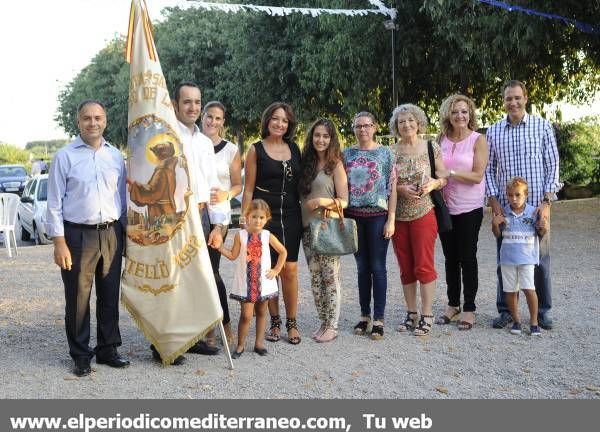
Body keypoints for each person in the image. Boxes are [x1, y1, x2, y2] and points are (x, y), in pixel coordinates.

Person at [46, 100, 129, 377]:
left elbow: (122, 198)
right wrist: (59, 242)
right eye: (86, 118)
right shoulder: (65, 157)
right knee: (79, 298)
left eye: (98, 118)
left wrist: (125, 232)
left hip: (111, 233)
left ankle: (108, 349)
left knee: (109, 296)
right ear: (78, 122)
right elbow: (54, 203)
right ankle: (81, 355)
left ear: (105, 120)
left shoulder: (115, 156)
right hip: (77, 235)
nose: (93, 123)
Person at [149, 81, 226, 364]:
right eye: (187, 102)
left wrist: (218, 225)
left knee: (197, 280)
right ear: (175, 104)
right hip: (174, 216)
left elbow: (214, 186)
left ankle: (191, 339)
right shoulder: (164, 137)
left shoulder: (205, 143)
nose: (193, 107)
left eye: (197, 102)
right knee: (171, 281)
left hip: (203, 215)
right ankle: (164, 343)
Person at [485, 80, 562, 330]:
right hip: (507, 210)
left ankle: (542, 312)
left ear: (526, 98)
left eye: (517, 97)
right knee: (505, 258)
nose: (513, 102)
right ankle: (506, 310)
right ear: (504, 101)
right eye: (509, 98)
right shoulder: (494, 131)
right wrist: (494, 201)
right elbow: (488, 168)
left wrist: (547, 202)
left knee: (540, 260)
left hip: (536, 208)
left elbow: (553, 165)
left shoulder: (542, 126)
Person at [241, 102, 303, 345]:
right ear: (267, 121)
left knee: (289, 269)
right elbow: (248, 190)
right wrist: (245, 219)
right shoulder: (255, 150)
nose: (280, 124)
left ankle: (292, 322)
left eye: (285, 120)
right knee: (268, 270)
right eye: (276, 119)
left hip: (291, 214)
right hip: (263, 217)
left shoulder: (295, 149)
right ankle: (275, 321)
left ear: (289, 125)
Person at [389, 104, 447, 337]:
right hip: (399, 215)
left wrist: (434, 183)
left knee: (424, 264)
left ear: (419, 122)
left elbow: (443, 175)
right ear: (396, 126)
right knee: (405, 266)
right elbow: (387, 183)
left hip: (424, 212)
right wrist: (400, 188)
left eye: (411, 120)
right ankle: (411, 312)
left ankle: (426, 314)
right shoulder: (391, 152)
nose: (406, 125)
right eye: (401, 122)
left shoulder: (431, 147)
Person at [434, 94, 488, 330]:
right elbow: (435, 170)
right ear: (448, 115)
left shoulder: (478, 140)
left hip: (470, 208)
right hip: (445, 207)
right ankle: (453, 303)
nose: (460, 116)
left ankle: (469, 308)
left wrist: (451, 173)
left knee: (467, 257)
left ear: (470, 114)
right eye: (455, 112)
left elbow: (477, 176)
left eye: (464, 111)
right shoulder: (440, 139)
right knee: (450, 258)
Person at [343, 112, 396, 340]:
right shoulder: (346, 154)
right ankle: (364, 315)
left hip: (378, 216)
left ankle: (379, 319)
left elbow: (392, 188)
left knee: (378, 267)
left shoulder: (385, 153)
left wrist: (391, 218)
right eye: (358, 126)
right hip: (354, 216)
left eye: (366, 125)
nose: (362, 130)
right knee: (362, 268)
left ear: (375, 127)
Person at [299, 119, 348, 343]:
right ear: (311, 137)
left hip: (327, 228)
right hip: (307, 230)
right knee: (315, 279)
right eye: (317, 135)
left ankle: (333, 325)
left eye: (325, 136)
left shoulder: (335, 165)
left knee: (330, 278)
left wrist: (321, 201)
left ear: (331, 139)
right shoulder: (305, 163)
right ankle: (323, 321)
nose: (321, 140)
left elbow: (345, 201)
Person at [217, 199, 287, 358]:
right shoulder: (240, 236)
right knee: (246, 315)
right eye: (254, 216)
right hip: (246, 282)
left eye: (262, 217)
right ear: (247, 216)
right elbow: (233, 255)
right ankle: (241, 345)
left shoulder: (268, 236)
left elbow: (283, 252)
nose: (258, 220)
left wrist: (276, 270)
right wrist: (220, 248)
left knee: (262, 312)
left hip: (265, 282)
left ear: (267, 219)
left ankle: (259, 343)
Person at [201, 100, 243, 347]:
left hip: (219, 216)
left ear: (222, 122)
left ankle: (224, 325)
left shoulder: (230, 150)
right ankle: (204, 328)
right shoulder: (192, 143)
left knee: (212, 271)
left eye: (218, 118)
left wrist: (227, 194)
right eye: (209, 116)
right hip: (195, 214)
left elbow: (237, 184)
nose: (212, 122)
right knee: (195, 272)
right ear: (202, 116)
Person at [491, 177, 547, 336]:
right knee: (510, 291)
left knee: (529, 290)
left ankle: (534, 322)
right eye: (510, 195)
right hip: (507, 259)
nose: (513, 199)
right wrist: (495, 224)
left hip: (527, 259)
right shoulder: (504, 211)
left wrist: (543, 226)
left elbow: (541, 233)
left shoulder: (534, 212)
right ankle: (516, 321)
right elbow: (497, 235)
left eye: (517, 195)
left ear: (526, 194)